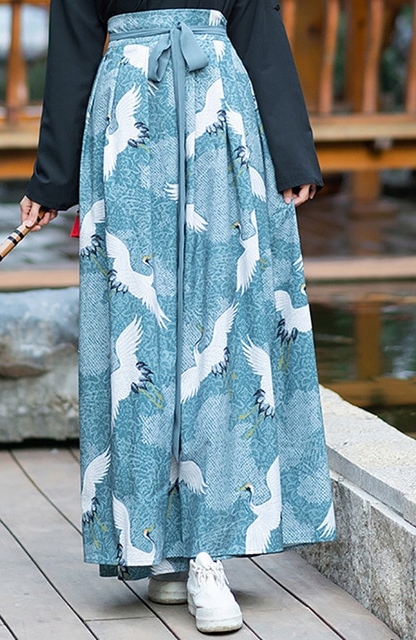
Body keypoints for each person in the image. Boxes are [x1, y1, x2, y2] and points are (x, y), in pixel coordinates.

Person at [21, 1, 336, 634]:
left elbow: (258, 24)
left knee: (221, 328)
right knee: (140, 333)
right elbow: (73, 45)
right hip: (129, 121)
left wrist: (292, 149)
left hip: (220, 116)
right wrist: (53, 178)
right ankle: (158, 543)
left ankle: (208, 555)